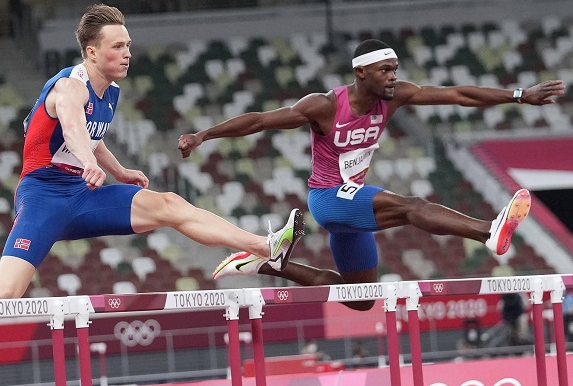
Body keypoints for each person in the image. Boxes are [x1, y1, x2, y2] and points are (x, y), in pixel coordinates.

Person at [0, 4, 303, 300]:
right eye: (117, 46)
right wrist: (87, 163)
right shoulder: (69, 87)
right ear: (92, 52)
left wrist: (118, 170)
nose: (127, 53)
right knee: (1, 294)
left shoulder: (111, 91)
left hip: (84, 194)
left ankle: (266, 246)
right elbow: (72, 125)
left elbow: (92, 137)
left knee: (170, 204)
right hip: (44, 196)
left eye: (128, 44)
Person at [179, 39, 566, 311]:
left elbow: (458, 95)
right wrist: (204, 135)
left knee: (362, 298)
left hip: (352, 204)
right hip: (328, 199)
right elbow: (260, 121)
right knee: (412, 206)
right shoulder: (325, 106)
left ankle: (262, 263)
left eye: (395, 70)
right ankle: (488, 231)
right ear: (361, 72)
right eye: (385, 71)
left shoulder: (395, 97)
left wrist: (518, 95)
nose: (393, 77)